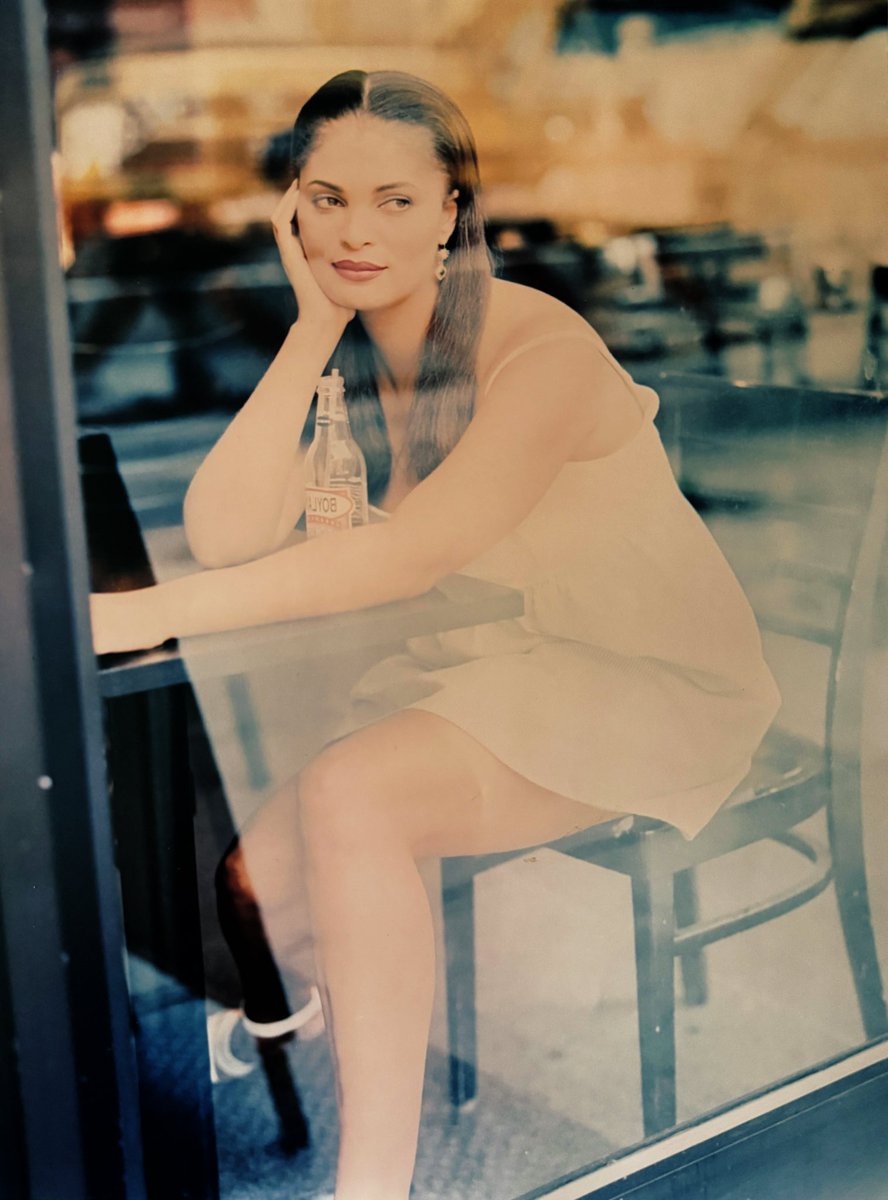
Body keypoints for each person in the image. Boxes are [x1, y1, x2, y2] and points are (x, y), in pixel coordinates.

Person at [90, 69, 781, 1200]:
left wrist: (141, 614)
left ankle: (376, 1183)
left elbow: (405, 559)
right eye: (327, 198)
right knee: (255, 887)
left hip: (650, 682)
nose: (356, 232)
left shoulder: (537, 350)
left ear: (454, 210)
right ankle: (354, 1028)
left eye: (396, 201)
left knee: (353, 802)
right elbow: (223, 533)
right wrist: (314, 324)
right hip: (513, 660)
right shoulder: (358, 347)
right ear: (292, 211)